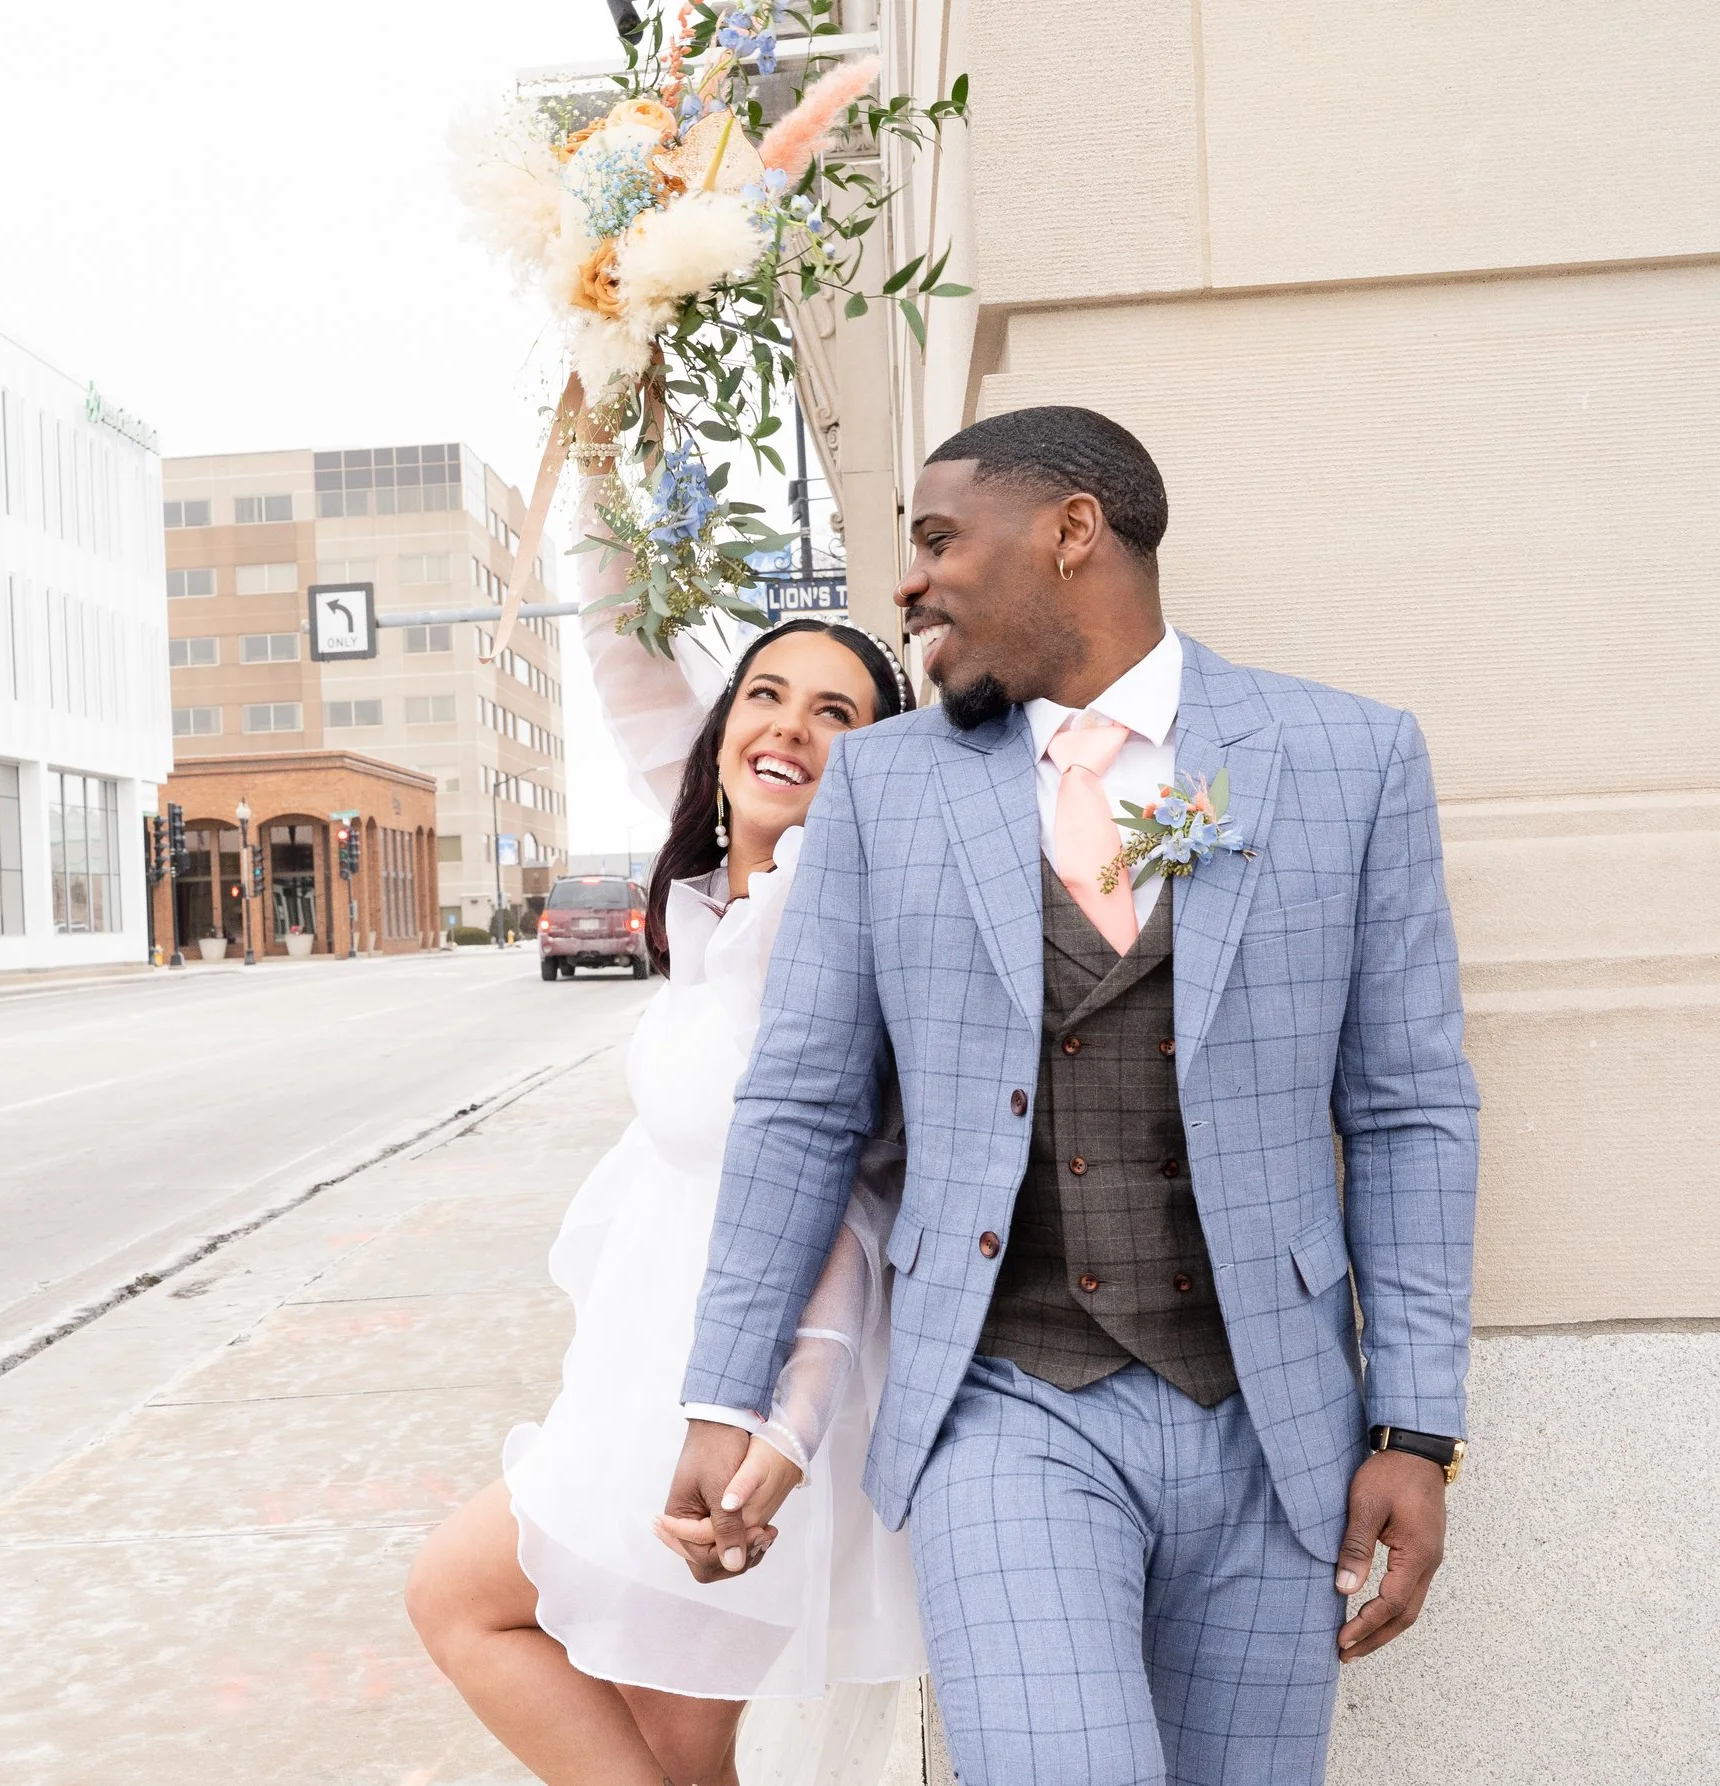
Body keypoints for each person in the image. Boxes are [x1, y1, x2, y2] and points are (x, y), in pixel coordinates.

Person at [666, 405, 1480, 1785]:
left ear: (1070, 531)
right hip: (1004, 1406)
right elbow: (803, 1108)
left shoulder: (1351, 760)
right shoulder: (884, 787)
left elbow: (1408, 1110)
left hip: (1275, 1426)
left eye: (936, 541)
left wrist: (1415, 1428)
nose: (908, 584)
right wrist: (724, 1395)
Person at [405, 450, 927, 1786]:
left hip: (729, 1398)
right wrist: (609, 445)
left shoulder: (828, 920)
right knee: (668, 1748)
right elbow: (637, 682)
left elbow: (850, 1205)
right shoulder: (723, 907)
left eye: (837, 714)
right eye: (766, 695)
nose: (791, 727)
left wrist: (781, 1426)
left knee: (461, 1601)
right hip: (643, 1382)